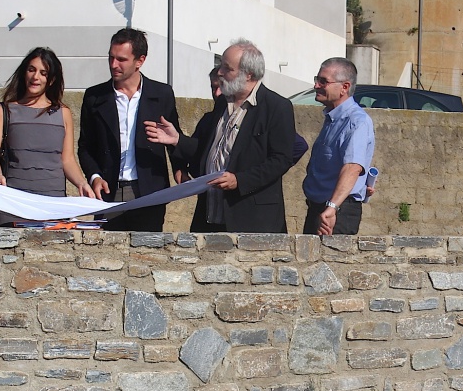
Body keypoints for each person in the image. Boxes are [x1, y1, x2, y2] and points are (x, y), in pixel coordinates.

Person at [146, 40, 295, 234]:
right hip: (210, 214)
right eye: (220, 66)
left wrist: (239, 181)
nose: (220, 73)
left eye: (227, 68)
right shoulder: (222, 104)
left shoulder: (277, 107)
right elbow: (207, 151)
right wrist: (177, 140)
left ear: (248, 74)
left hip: (251, 219)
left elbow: (281, 160)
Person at [77, 28, 181, 232]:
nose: (113, 65)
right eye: (111, 57)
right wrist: (94, 176)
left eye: (121, 59)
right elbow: (85, 147)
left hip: (149, 192)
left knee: (148, 249)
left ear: (140, 61)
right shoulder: (94, 96)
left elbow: (173, 138)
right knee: (108, 250)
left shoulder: (162, 94)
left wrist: (180, 168)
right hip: (109, 191)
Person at [0, 48, 94, 224]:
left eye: (43, 73)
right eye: (31, 70)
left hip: (52, 203)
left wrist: (82, 183)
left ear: (51, 80)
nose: (36, 77)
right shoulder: (4, 110)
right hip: (13, 201)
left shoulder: (63, 113)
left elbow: (67, 160)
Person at [302, 57, 375, 236]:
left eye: (323, 81)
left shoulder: (356, 121)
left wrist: (332, 207)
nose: (316, 85)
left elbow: (352, 168)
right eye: (317, 79)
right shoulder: (333, 119)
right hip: (321, 208)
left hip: (335, 213)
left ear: (344, 87)